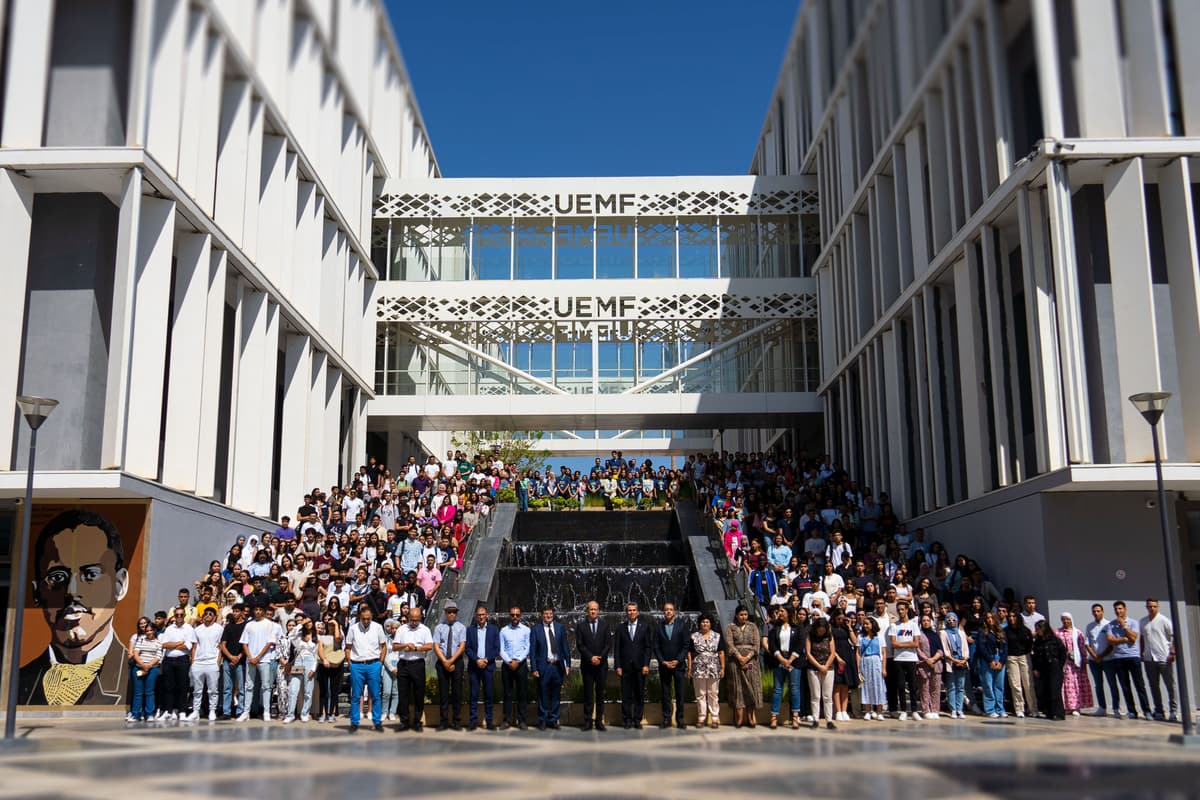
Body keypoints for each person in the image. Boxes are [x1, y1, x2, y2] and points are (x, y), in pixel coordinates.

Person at [19, 510, 131, 706]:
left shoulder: (133, 679)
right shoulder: (17, 683)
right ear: (37, 592)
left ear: (119, 585)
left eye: (91, 574)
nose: (72, 591)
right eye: (58, 577)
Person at [343, 605, 387, 733]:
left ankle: (377, 722)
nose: (366, 621)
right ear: (359, 617)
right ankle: (354, 722)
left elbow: (384, 646)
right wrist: (350, 663)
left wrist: (380, 662)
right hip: (357, 665)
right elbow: (348, 648)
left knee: (375, 695)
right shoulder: (353, 629)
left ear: (371, 617)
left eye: (368, 618)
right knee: (356, 696)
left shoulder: (378, 627)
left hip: (374, 664)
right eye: (364, 619)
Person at [1104, 600, 1152, 719]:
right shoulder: (1110, 625)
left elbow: (1134, 638)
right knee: (1125, 686)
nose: (1118, 611)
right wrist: (1124, 639)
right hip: (1119, 658)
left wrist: (1124, 625)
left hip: (1133, 657)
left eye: (1120, 608)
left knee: (1139, 685)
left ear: (1125, 609)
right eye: (1116, 609)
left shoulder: (1133, 622)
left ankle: (1146, 711)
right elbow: (1110, 640)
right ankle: (1132, 711)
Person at [393, 605, 433, 731]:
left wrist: (416, 648)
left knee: (418, 693)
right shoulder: (402, 629)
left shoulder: (425, 630)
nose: (414, 622)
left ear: (420, 618)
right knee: (403, 694)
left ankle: (417, 721)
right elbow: (394, 646)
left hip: (417, 664)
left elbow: (429, 646)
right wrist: (405, 646)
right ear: (408, 617)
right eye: (412, 620)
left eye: (417, 620)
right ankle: (404, 721)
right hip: (404, 664)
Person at [530, 605, 570, 730]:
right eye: (546, 614)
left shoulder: (560, 627)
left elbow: (565, 647)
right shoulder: (536, 629)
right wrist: (534, 668)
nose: (548, 616)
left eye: (550, 614)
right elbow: (532, 651)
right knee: (543, 694)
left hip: (557, 666)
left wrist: (567, 664)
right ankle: (542, 719)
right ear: (542, 615)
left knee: (556, 694)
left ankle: (554, 719)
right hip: (544, 666)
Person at [239, 603, 280, 721]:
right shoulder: (249, 624)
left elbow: (269, 642)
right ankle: (246, 712)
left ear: (263, 611)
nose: (258, 611)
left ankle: (266, 712)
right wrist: (250, 657)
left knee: (266, 686)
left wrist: (258, 657)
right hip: (250, 659)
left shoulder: (269, 624)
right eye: (256, 609)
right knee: (249, 686)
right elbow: (244, 643)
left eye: (260, 609)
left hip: (264, 659)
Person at [614, 602, 653, 729]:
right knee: (626, 695)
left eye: (634, 610)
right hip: (625, 667)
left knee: (639, 694)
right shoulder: (621, 628)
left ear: (638, 612)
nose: (631, 612)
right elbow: (617, 648)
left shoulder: (644, 627)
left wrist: (646, 664)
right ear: (626, 613)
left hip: (640, 666)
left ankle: (637, 719)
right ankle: (627, 720)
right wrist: (617, 666)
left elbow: (648, 647)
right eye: (629, 610)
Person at [575, 600, 611, 731]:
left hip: (601, 666)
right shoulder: (581, 626)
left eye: (595, 609)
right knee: (588, 694)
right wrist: (591, 657)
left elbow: (608, 644)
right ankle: (588, 721)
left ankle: (599, 721)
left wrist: (600, 657)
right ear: (587, 611)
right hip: (587, 665)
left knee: (600, 694)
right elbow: (580, 645)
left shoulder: (605, 625)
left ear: (598, 611)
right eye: (591, 609)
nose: (593, 611)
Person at [1140, 598, 1178, 722]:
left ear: (1158, 606)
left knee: (1170, 686)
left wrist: (1172, 652)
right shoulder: (1143, 621)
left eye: (1154, 606)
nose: (1152, 608)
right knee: (1154, 686)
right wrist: (1142, 652)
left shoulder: (1164, 620)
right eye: (1149, 606)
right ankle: (1159, 711)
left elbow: (1174, 637)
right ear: (1146, 607)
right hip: (1149, 658)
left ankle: (1173, 711)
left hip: (1163, 657)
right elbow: (1142, 638)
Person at [653, 601, 690, 729]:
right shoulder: (658, 626)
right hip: (664, 665)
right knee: (665, 693)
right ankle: (666, 719)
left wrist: (678, 660)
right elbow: (656, 646)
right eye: (666, 609)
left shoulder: (682, 625)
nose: (668, 611)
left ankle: (680, 719)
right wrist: (662, 661)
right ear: (663, 612)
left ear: (674, 611)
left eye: (670, 609)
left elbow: (686, 645)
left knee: (680, 693)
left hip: (678, 665)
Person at [766, 605, 804, 729]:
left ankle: (795, 717)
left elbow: (800, 644)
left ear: (789, 612)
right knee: (778, 689)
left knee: (794, 688)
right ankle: (774, 717)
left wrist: (790, 659)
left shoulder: (798, 627)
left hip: (794, 661)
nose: (780, 613)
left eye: (782, 611)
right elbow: (772, 644)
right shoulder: (776, 627)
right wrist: (781, 659)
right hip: (779, 660)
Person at [724, 605, 761, 728]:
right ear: (736, 615)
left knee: (751, 686)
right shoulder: (731, 627)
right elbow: (730, 644)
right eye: (741, 615)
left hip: (751, 662)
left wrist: (747, 658)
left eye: (745, 614)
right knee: (738, 687)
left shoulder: (753, 626)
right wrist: (739, 658)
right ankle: (739, 716)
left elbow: (756, 645)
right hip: (736, 662)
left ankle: (751, 716)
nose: (743, 617)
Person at [465, 605, 501, 730]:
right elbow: (467, 648)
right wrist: (477, 660)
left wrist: (486, 659)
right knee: (473, 695)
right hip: (474, 667)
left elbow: (497, 648)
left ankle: (489, 721)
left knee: (489, 695)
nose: (481, 617)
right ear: (476, 616)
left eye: (483, 614)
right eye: (479, 615)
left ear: (487, 616)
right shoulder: (470, 630)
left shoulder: (494, 630)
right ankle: (473, 721)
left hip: (488, 666)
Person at [433, 600, 467, 730]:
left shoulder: (461, 627)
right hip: (442, 662)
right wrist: (445, 661)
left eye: (453, 612)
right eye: (449, 612)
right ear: (445, 613)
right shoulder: (439, 628)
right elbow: (436, 646)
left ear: (456, 613)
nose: (451, 614)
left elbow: (462, 646)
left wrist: (451, 661)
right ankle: (443, 721)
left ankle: (457, 721)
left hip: (456, 661)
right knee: (443, 693)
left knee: (457, 692)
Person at [688, 612, 724, 729]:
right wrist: (689, 668)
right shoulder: (694, 636)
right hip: (698, 668)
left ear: (710, 623)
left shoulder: (717, 636)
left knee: (713, 693)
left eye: (707, 622)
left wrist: (723, 668)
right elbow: (689, 653)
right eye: (703, 622)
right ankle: (701, 716)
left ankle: (715, 717)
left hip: (714, 667)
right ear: (700, 623)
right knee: (700, 694)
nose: (705, 624)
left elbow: (721, 653)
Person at [159, 609, 196, 721]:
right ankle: (169, 711)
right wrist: (179, 643)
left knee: (182, 687)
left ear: (184, 615)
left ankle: (182, 711)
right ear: (174, 616)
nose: (179, 616)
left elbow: (188, 646)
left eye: (181, 615)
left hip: (182, 660)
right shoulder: (169, 629)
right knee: (168, 686)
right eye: (177, 615)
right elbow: (164, 645)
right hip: (168, 660)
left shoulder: (189, 629)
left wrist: (173, 645)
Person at [1055, 612, 1093, 717]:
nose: (1065, 621)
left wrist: (1084, 661)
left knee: (1076, 684)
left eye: (1067, 619)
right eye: (1063, 619)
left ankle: (1076, 706)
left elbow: (1082, 648)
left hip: (1076, 663)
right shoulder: (1057, 633)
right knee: (1066, 684)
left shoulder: (1077, 633)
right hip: (1064, 663)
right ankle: (1067, 707)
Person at [1001, 605, 1036, 718]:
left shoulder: (1025, 630)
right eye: (1010, 616)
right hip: (1011, 658)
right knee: (1015, 684)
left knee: (1028, 684)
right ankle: (1019, 708)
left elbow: (1030, 643)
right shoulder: (1005, 631)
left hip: (1024, 656)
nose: (1011, 618)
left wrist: (1026, 652)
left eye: (1014, 616)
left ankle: (1033, 708)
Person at [189, 607, 223, 721]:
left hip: (212, 662)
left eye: (210, 614)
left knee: (213, 689)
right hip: (198, 662)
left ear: (214, 617)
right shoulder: (198, 629)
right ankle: (196, 711)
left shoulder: (219, 629)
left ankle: (212, 710)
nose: (207, 615)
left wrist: (218, 662)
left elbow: (221, 646)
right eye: (206, 614)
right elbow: (194, 647)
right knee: (197, 690)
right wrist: (193, 662)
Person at [499, 606, 531, 730]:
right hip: (507, 665)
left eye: (517, 615)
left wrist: (518, 660)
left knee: (522, 693)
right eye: (512, 615)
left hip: (521, 665)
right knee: (507, 693)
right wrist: (509, 661)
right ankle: (506, 720)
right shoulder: (503, 631)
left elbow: (527, 648)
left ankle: (522, 720)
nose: (515, 617)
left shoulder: (526, 630)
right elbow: (501, 649)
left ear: (520, 616)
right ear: (509, 616)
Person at [283, 615, 318, 723]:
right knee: (293, 690)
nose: (308, 623)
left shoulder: (317, 636)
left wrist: (313, 669)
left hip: (310, 661)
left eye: (310, 621)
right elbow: (290, 635)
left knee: (308, 691)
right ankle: (290, 715)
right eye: (306, 622)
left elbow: (317, 655)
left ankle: (305, 713)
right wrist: (301, 624)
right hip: (298, 660)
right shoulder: (299, 635)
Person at [888, 601, 920, 720]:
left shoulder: (913, 625)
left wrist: (901, 644)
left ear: (907, 610)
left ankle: (914, 710)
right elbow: (893, 643)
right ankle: (903, 710)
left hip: (911, 658)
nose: (900, 611)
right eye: (899, 610)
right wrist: (908, 643)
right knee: (901, 686)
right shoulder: (894, 626)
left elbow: (916, 643)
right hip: (898, 659)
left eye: (902, 609)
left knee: (912, 685)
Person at [127, 617, 162, 723]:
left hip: (152, 669)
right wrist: (142, 665)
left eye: (151, 630)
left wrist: (149, 666)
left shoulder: (158, 642)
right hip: (138, 668)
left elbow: (158, 656)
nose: (149, 632)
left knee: (149, 692)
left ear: (154, 631)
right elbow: (136, 653)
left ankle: (149, 714)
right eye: (147, 631)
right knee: (138, 692)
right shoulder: (141, 639)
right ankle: (135, 714)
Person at [1031, 619, 1066, 720]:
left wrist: (1059, 666)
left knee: (1055, 690)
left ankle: (1058, 713)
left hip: (1054, 668)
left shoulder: (1055, 640)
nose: (1037, 631)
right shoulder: (1037, 642)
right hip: (1043, 668)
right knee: (1044, 690)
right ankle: (1049, 712)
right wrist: (1035, 668)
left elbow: (1062, 654)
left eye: (1039, 629)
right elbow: (1035, 656)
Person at [806, 617, 837, 729]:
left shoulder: (829, 636)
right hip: (813, 668)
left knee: (827, 695)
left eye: (823, 630)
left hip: (828, 668)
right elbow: (808, 653)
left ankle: (829, 720)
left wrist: (826, 666)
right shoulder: (810, 636)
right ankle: (815, 719)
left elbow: (833, 653)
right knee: (815, 695)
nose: (821, 632)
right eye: (819, 630)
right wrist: (819, 666)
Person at [219, 604, 247, 720]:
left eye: (237, 611)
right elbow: (222, 644)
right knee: (227, 687)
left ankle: (240, 711)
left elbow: (246, 644)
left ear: (242, 612)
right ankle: (226, 711)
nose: (235, 613)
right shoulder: (228, 626)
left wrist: (238, 657)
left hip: (241, 661)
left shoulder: (246, 626)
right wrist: (230, 657)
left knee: (241, 688)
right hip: (228, 660)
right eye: (234, 611)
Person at [940, 612, 970, 718]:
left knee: (961, 686)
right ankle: (953, 709)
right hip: (951, 662)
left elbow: (965, 648)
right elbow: (945, 649)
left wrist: (964, 659)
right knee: (951, 686)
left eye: (954, 620)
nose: (952, 622)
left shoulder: (961, 632)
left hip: (962, 662)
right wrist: (953, 659)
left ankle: (959, 709)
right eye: (949, 620)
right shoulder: (943, 633)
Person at [1084, 603, 1112, 717]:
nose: (1096, 613)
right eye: (1094, 611)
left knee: (1112, 683)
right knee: (1098, 684)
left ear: (1102, 611)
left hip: (1108, 659)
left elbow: (1111, 644)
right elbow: (1087, 643)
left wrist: (1101, 656)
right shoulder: (1090, 626)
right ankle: (1101, 707)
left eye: (1098, 611)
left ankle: (1115, 708)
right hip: (1094, 660)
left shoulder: (1109, 624)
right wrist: (1095, 656)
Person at [831, 608, 859, 721]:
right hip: (837, 656)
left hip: (847, 656)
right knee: (837, 685)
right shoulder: (831, 628)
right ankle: (838, 711)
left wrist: (849, 627)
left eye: (842, 619)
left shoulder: (846, 628)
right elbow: (830, 645)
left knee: (845, 685)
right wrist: (837, 658)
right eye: (839, 619)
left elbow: (854, 641)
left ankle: (844, 710)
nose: (840, 621)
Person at [979, 612, 1008, 718]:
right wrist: (990, 660)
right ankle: (990, 709)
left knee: (999, 685)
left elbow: (1005, 647)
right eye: (988, 618)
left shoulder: (1001, 631)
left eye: (992, 618)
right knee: (988, 685)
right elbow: (981, 647)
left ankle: (1000, 709)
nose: (990, 620)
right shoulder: (983, 632)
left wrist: (1002, 661)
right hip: (988, 659)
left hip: (999, 658)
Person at [316, 616, 344, 722]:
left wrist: (336, 624)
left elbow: (337, 638)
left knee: (334, 690)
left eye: (333, 625)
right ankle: (322, 713)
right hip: (324, 664)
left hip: (336, 664)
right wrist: (324, 659)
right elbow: (320, 649)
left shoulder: (340, 636)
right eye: (330, 625)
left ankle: (331, 713)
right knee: (323, 690)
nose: (331, 627)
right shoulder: (323, 637)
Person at [915, 614, 943, 719]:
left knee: (935, 688)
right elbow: (917, 649)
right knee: (924, 688)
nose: (926, 622)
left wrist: (933, 659)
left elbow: (940, 650)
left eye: (928, 620)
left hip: (936, 664)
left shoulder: (935, 635)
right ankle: (926, 710)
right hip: (923, 664)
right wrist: (927, 659)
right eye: (924, 620)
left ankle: (935, 709)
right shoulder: (919, 635)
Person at [381, 619, 401, 721]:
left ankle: (392, 712)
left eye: (396, 628)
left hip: (399, 666)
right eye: (392, 628)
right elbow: (384, 655)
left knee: (396, 692)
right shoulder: (386, 639)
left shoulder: (403, 640)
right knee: (386, 692)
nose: (394, 630)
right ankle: (384, 712)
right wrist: (391, 668)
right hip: (388, 666)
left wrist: (398, 667)